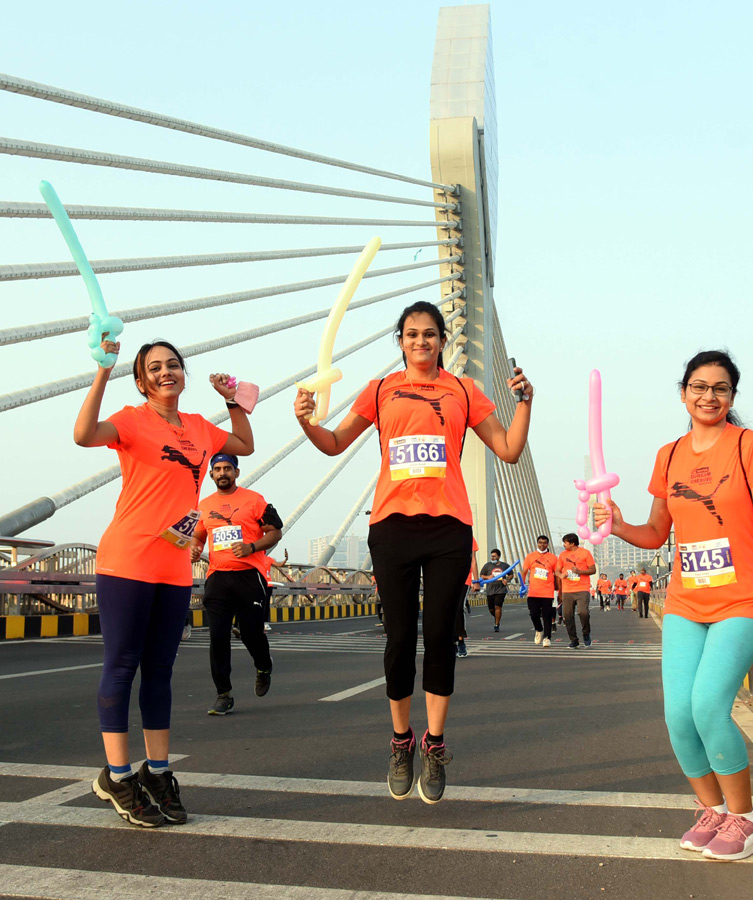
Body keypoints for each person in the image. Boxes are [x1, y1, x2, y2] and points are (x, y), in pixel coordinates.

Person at [294, 299, 532, 804]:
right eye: (411, 334)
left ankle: (436, 743)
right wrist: (306, 422)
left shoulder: (464, 390)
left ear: (443, 340)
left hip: (448, 527)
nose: (420, 341)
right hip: (392, 527)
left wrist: (526, 404)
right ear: (399, 341)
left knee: (441, 637)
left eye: (429, 334)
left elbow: (508, 450)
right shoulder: (380, 390)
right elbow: (335, 442)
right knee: (400, 639)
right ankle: (401, 741)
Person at [594, 349, 753, 861]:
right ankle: (711, 809)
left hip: (743, 600)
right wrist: (619, 525)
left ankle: (746, 820)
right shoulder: (668, 456)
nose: (709, 396)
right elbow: (656, 533)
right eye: (699, 386)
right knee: (678, 716)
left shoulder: (748, 447)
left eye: (720, 388)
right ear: (683, 392)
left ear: (732, 397)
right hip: (686, 604)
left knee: (709, 708)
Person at [75, 337, 253, 827]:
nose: (166, 372)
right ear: (141, 380)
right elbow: (83, 433)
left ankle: (157, 772)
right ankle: (117, 775)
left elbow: (244, 445)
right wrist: (101, 372)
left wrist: (233, 401)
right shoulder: (132, 420)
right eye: (154, 368)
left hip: (174, 566)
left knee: (159, 671)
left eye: (173, 364)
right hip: (127, 559)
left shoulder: (198, 428)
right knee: (122, 665)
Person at [190, 453, 283, 714]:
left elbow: (276, 531)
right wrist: (195, 549)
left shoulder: (254, 500)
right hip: (217, 578)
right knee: (218, 637)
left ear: (236, 473)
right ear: (211, 474)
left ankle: (263, 666)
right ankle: (223, 693)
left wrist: (251, 546)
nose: (222, 473)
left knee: (251, 634)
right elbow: (198, 537)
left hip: (249, 576)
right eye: (217, 469)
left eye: (227, 468)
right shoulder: (204, 505)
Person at [557, 533, 596, 649]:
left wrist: (579, 571)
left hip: (582, 588)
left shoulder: (585, 553)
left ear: (572, 543)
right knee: (567, 616)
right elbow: (557, 571)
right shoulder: (562, 555)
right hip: (567, 589)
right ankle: (573, 640)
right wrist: (561, 575)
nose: (564, 545)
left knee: (583, 612)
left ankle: (586, 634)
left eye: (565, 542)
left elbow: (593, 570)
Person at [522, 535, 560, 646]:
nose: (542, 545)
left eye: (544, 543)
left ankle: (547, 637)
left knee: (547, 615)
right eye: (540, 542)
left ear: (547, 544)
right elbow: (524, 571)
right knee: (533, 614)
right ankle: (539, 630)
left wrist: (558, 588)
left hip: (548, 591)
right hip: (533, 591)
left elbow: (556, 574)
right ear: (537, 543)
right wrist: (522, 584)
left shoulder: (553, 558)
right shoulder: (530, 556)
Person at [478, 548, 514, 632]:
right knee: (491, 609)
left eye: (494, 556)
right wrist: (488, 577)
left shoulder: (505, 566)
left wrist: (507, 580)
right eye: (491, 556)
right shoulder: (487, 565)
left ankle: (497, 624)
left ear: (499, 556)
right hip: (490, 589)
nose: (492, 558)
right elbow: (482, 575)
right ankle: (497, 617)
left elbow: (511, 574)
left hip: (501, 589)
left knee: (498, 606)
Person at [455, 539, 478, 658]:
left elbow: (473, 560)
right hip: (447, 579)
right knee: (447, 610)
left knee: (459, 609)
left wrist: (476, 581)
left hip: (465, 578)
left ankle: (461, 641)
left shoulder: (469, 538)